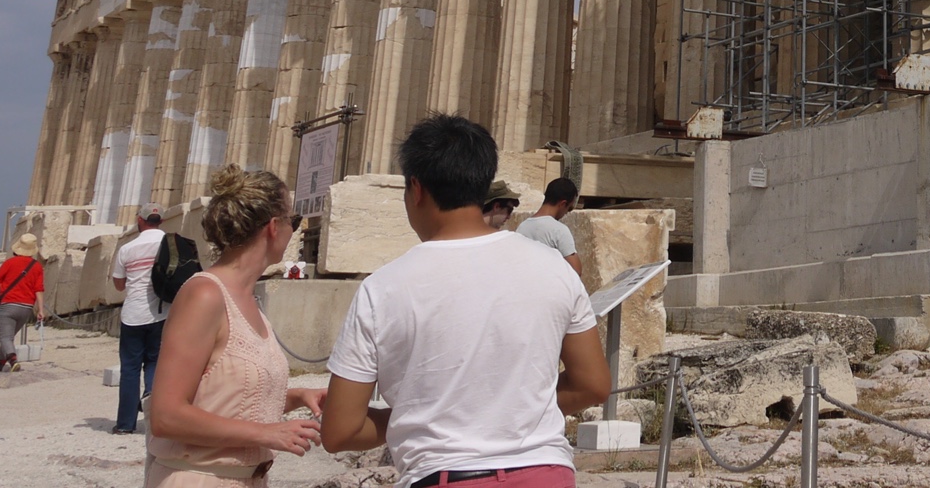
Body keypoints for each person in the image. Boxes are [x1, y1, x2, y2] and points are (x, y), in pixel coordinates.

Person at [321, 115, 609, 487]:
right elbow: (593, 384)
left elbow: (340, 430)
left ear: (416, 188)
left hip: (444, 474)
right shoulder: (554, 268)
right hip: (545, 472)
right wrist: (504, 412)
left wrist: (431, 416)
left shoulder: (382, 289)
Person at [147, 167, 325, 486]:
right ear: (273, 227)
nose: (293, 232)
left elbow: (225, 401)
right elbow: (166, 415)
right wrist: (267, 433)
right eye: (294, 222)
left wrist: (297, 395)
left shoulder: (245, 297)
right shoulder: (205, 295)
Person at [110, 205, 169, 433]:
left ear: (140, 220)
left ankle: (125, 424)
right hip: (162, 312)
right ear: (161, 221)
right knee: (156, 362)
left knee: (130, 369)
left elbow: (118, 284)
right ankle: (153, 407)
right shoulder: (169, 243)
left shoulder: (127, 248)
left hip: (133, 314)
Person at [0, 233, 45, 373]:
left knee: (5, 337)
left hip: (8, 305)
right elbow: (39, 289)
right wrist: (41, 310)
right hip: (26, 308)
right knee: (9, 337)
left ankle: (13, 361)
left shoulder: (9, 263)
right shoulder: (37, 267)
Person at [516, 177, 582, 275]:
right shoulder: (559, 230)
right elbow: (576, 271)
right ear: (563, 204)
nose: (567, 213)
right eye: (569, 208)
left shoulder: (522, 227)